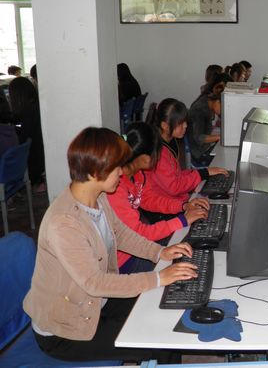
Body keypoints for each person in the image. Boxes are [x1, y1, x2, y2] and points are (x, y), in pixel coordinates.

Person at [23, 127, 199, 363]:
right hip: (66, 329)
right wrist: (158, 277)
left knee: (161, 307)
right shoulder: (63, 223)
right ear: (96, 172)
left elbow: (121, 233)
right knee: (159, 341)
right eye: (117, 167)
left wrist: (159, 252)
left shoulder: (98, 197)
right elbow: (95, 283)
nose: (122, 172)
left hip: (96, 304)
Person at [107, 122, 209, 273]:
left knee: (191, 245)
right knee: (188, 263)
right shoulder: (115, 189)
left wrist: (183, 206)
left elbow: (150, 199)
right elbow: (138, 233)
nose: (158, 157)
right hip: (125, 261)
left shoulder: (138, 173)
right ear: (144, 157)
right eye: (157, 153)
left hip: (140, 247)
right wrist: (182, 220)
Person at [145, 98, 228, 221]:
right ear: (165, 126)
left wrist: (204, 172)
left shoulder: (169, 141)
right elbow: (174, 187)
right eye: (180, 123)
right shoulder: (158, 152)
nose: (186, 126)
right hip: (164, 211)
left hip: (175, 202)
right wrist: (202, 174)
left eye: (185, 121)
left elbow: (175, 176)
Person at [8, 76, 46, 190]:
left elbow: (24, 138)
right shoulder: (35, 105)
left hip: (36, 159)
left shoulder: (28, 111)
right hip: (40, 154)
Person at [187, 92, 221, 167]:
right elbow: (199, 138)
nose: (222, 112)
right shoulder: (200, 111)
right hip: (199, 153)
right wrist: (221, 137)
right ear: (217, 101)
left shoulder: (205, 102)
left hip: (202, 148)